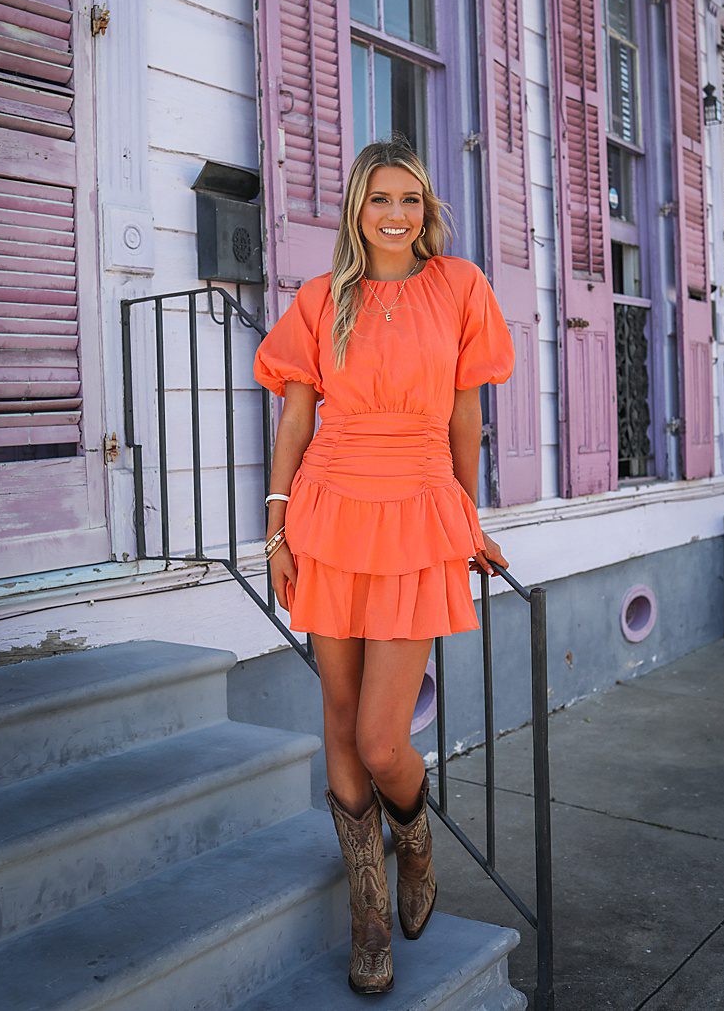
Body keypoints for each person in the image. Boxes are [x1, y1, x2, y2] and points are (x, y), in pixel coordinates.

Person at [252, 139, 515, 995]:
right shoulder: (321, 299)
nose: (395, 215)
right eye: (378, 201)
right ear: (355, 213)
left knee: (380, 737)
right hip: (328, 510)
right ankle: (369, 916)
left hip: (416, 509)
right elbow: (295, 422)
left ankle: (415, 837)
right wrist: (276, 527)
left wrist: (466, 519)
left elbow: (463, 415)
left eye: (408, 198)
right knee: (335, 718)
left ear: (425, 207)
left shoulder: (460, 286)